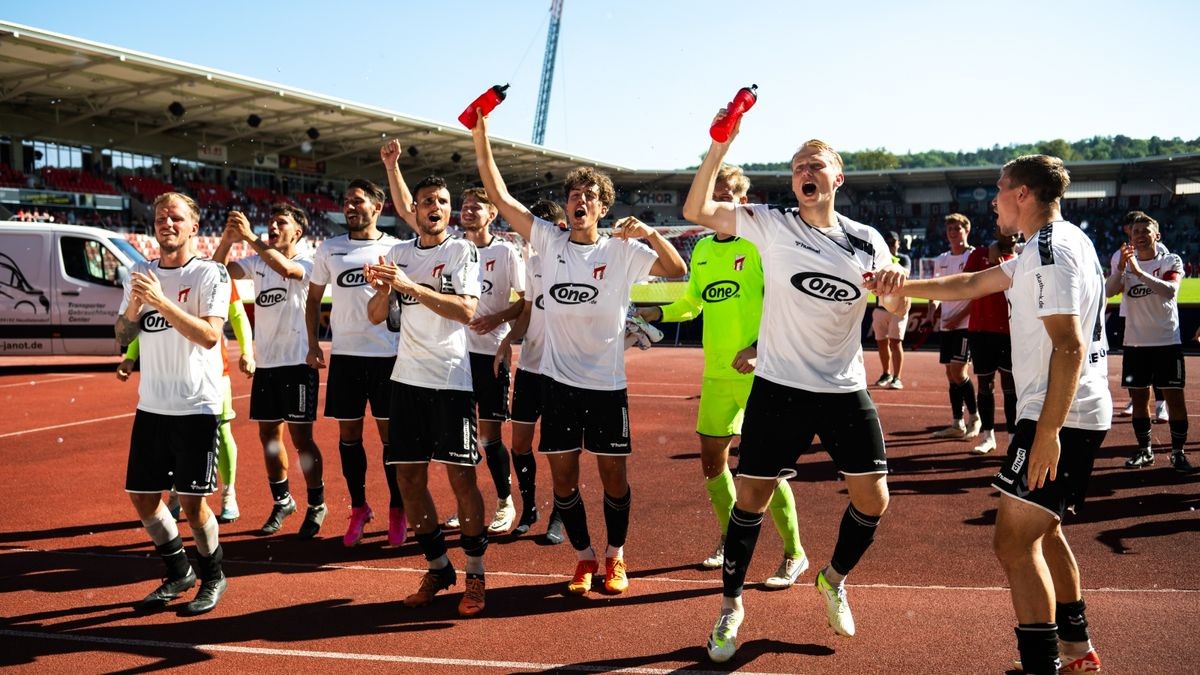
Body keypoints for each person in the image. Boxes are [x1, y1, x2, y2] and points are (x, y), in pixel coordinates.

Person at [682, 114, 903, 662]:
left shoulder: (866, 240)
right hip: (779, 387)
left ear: (838, 177)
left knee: (874, 499)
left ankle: (832, 578)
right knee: (751, 496)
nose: (806, 172)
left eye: (816, 165)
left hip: (843, 387)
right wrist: (720, 146)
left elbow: (890, 306)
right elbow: (696, 211)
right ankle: (731, 604)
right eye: (798, 166)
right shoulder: (771, 224)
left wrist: (895, 291)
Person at [880, 155, 1109, 674]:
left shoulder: (1050, 250)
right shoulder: (1050, 244)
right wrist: (899, 287)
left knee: (1011, 541)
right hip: (1065, 409)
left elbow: (1069, 347)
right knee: (1044, 531)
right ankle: (1076, 649)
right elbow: (970, 285)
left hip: (1060, 413)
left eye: (1001, 188)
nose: (994, 199)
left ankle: (1042, 663)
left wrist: (1047, 433)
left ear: (1023, 194)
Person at [471, 110, 686, 597]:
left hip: (607, 388)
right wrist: (481, 135)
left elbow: (675, 272)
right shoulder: (547, 240)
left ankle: (616, 556)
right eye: (574, 195)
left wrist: (650, 235)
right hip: (559, 386)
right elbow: (501, 198)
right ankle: (584, 556)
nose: (580, 200)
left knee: (613, 480)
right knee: (564, 481)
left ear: (603, 207)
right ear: (566, 207)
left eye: (590, 196)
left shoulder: (620, 250)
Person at [635, 164, 807, 586]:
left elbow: (787, 306)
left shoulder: (762, 247)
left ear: (742, 201)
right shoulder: (706, 250)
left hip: (762, 373)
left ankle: (794, 553)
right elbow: (693, 303)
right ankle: (732, 539)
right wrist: (655, 312)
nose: (720, 201)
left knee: (766, 468)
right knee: (713, 463)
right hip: (716, 375)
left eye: (728, 194)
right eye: (715, 194)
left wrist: (758, 348)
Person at [364, 175, 488, 617]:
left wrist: (410, 287)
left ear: (448, 211)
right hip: (406, 381)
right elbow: (375, 316)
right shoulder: (396, 254)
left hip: (452, 381)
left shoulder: (460, 250)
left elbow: (467, 311)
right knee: (408, 482)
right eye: (426, 201)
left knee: (461, 481)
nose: (434, 207)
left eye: (442, 201)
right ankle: (438, 567)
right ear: (413, 210)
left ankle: (475, 573)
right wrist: (384, 290)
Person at [114, 192, 232, 615]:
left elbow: (209, 335)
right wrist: (135, 302)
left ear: (193, 227)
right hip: (152, 407)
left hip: (195, 407)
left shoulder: (210, 273)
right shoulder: (139, 272)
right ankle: (179, 570)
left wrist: (161, 301)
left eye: (176, 217)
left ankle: (213, 575)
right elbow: (124, 337)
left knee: (195, 503)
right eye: (160, 216)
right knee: (143, 498)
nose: (166, 222)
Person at [214, 204, 330, 537]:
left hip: (297, 363)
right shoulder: (258, 262)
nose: (273, 227)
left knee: (301, 439)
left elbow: (287, 269)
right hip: (267, 365)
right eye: (270, 222)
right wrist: (227, 239)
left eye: (282, 223)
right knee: (268, 438)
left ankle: (317, 504)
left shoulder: (308, 260)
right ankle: (282, 501)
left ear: (298, 231)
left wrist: (249, 236)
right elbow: (217, 272)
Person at [306, 179, 405, 547]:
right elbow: (313, 299)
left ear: (377, 208)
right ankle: (360, 507)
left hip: (387, 357)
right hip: (346, 358)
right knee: (349, 437)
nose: (350, 207)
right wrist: (314, 343)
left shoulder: (396, 249)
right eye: (346, 201)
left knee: (390, 439)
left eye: (358, 201)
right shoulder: (329, 249)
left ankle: (398, 507)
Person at [117, 278, 254, 524]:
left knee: (222, 431)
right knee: (170, 434)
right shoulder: (157, 275)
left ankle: (228, 493)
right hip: (170, 378)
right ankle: (176, 493)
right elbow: (146, 321)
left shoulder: (216, 273)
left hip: (214, 374)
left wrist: (247, 351)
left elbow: (238, 315)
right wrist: (130, 356)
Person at [493, 199, 568, 542]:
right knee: (520, 443)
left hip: (562, 372)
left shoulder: (574, 263)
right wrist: (509, 338)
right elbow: (526, 310)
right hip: (531, 368)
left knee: (557, 448)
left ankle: (559, 516)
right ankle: (530, 507)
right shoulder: (533, 264)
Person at [1106, 213, 1195, 472]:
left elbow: (1170, 292)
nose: (1141, 235)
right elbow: (1110, 291)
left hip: (1167, 342)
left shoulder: (1170, 260)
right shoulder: (1126, 264)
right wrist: (1121, 270)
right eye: (1136, 232)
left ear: (1157, 235)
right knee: (1139, 398)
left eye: (1146, 231)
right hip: (1135, 345)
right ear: (1130, 237)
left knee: (1174, 399)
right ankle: (1144, 451)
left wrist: (1138, 273)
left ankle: (1178, 453)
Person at [1111, 211, 1172, 423]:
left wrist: (1137, 273)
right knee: (1135, 375)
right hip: (1131, 312)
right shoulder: (1119, 256)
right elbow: (1113, 288)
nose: (1135, 233)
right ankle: (1134, 401)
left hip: (1157, 319)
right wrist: (1120, 272)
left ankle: (1160, 404)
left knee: (1162, 374)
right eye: (1132, 229)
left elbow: (1168, 286)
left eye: (1142, 229)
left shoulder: (1164, 253)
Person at [963, 230, 1020, 455]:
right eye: (1007, 232)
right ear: (996, 232)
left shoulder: (1023, 258)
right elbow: (966, 282)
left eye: (1016, 233)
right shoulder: (980, 255)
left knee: (1010, 387)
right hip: (981, 330)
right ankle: (988, 437)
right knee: (985, 385)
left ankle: (1014, 438)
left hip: (1010, 331)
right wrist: (993, 264)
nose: (1012, 236)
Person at [928, 214, 980, 439]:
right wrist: (932, 308)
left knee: (959, 371)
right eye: (950, 228)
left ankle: (975, 418)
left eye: (957, 228)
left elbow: (977, 293)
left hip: (966, 324)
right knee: (950, 374)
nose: (953, 231)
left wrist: (959, 316)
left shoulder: (974, 256)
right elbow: (936, 288)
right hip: (947, 325)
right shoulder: (941, 259)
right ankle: (957, 423)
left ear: (967, 230)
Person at [870, 230, 912, 390]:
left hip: (898, 309)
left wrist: (892, 267)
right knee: (881, 343)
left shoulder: (904, 259)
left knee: (895, 343)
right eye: (887, 242)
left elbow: (905, 274)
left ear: (898, 244)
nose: (890, 245)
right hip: (880, 307)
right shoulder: (878, 260)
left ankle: (897, 377)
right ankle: (886, 373)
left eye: (893, 242)